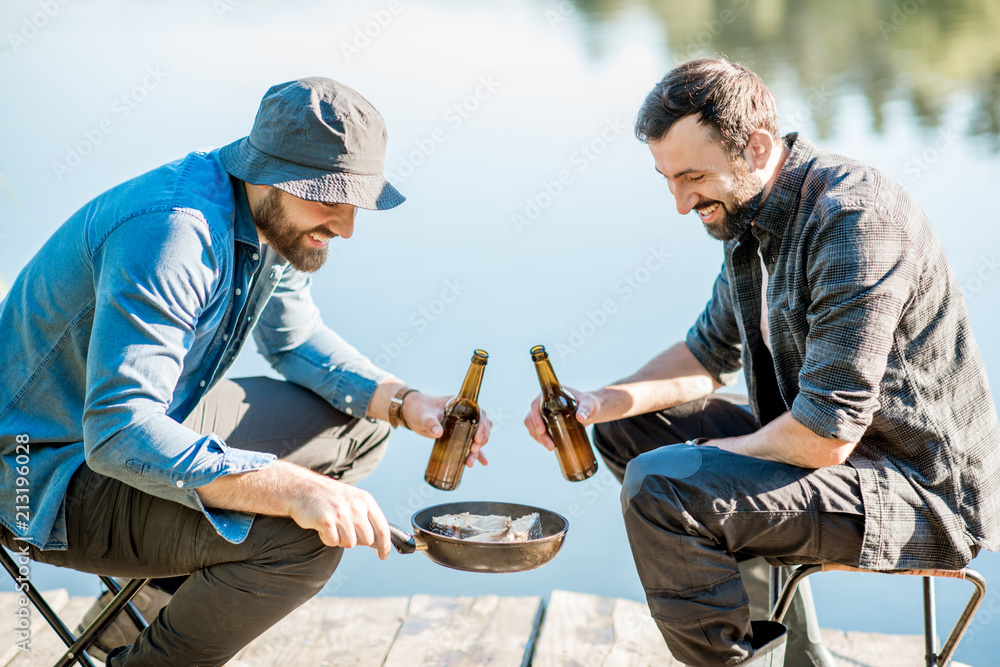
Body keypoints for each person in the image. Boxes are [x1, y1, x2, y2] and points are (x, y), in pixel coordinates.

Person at [0, 77, 491, 666]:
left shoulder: (266, 216)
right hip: (41, 474)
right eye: (329, 200)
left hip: (132, 427)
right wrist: (292, 487)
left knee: (361, 427)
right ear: (267, 171)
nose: (346, 227)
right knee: (301, 541)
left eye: (355, 203)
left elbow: (296, 339)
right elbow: (119, 431)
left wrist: (406, 401)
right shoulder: (174, 233)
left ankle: (122, 631)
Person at [525, 58, 1000, 666]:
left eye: (692, 176)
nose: (680, 202)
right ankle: (792, 654)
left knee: (661, 485)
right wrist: (596, 403)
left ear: (755, 146)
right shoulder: (749, 216)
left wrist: (687, 467)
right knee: (629, 433)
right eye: (667, 178)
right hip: (833, 452)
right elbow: (706, 352)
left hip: (917, 489)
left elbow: (826, 436)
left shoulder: (855, 219)